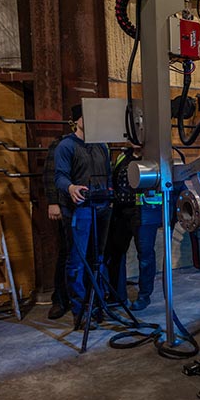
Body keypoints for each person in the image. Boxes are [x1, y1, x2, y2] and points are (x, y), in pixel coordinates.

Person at [54, 104, 113, 329]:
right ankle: (80, 312)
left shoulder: (102, 146)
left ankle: (97, 305)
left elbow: (107, 174)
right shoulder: (66, 146)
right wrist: (70, 188)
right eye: (87, 116)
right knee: (77, 262)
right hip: (80, 210)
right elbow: (59, 177)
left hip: (101, 208)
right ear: (77, 120)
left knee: (97, 260)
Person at [104, 145, 162, 312]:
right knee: (116, 253)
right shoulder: (123, 156)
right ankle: (118, 295)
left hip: (143, 211)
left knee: (145, 255)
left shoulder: (153, 156)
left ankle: (144, 296)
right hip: (121, 211)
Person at [43, 135, 70, 320]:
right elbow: (51, 173)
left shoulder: (98, 143)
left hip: (88, 207)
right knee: (66, 253)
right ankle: (59, 299)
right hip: (67, 206)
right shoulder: (62, 144)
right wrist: (53, 201)